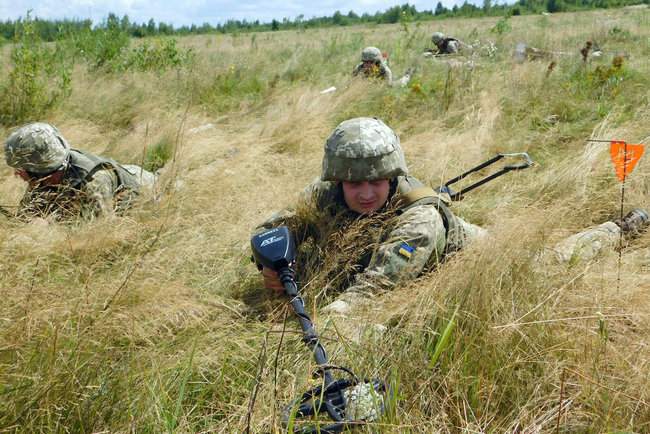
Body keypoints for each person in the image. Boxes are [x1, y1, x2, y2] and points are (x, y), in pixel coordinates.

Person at [255, 117, 485, 318]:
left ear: (391, 177)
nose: (366, 194)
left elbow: (374, 290)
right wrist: (273, 265)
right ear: (338, 180)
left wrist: (327, 318)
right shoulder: (324, 192)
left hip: (473, 264)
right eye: (354, 184)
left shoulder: (421, 219)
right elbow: (271, 231)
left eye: (376, 182)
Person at [4, 122, 157, 221]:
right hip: (125, 171)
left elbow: (98, 237)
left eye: (22, 169)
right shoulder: (42, 180)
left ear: (39, 170)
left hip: (148, 188)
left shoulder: (93, 184)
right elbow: (24, 219)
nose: (17, 174)